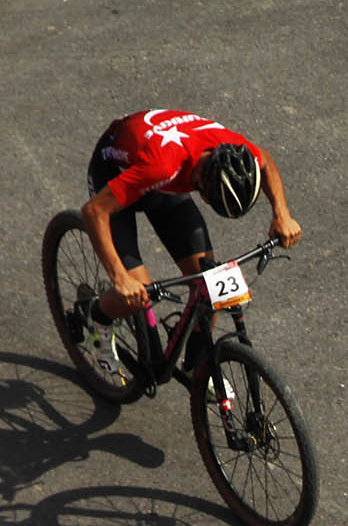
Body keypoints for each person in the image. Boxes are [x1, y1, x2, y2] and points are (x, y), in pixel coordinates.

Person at [76, 108, 302, 354]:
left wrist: (282, 214)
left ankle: (198, 371)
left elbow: (265, 160)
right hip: (116, 171)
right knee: (138, 292)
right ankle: (94, 315)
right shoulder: (163, 167)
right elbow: (93, 212)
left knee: (212, 285)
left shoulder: (234, 148)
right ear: (203, 186)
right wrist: (120, 278)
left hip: (159, 173)